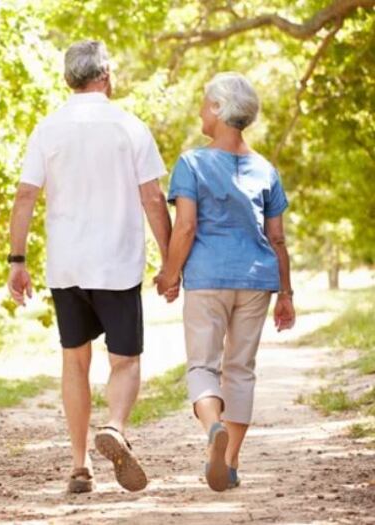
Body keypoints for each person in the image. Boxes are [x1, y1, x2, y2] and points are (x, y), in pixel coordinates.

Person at [7, 40, 172, 494]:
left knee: (74, 361)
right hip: (117, 263)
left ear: (68, 79)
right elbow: (153, 198)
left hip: (67, 264)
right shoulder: (129, 126)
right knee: (126, 360)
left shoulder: (48, 128)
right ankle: (115, 427)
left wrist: (16, 261)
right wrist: (171, 260)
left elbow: (25, 195)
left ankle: (80, 466)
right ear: (106, 75)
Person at [156, 72, 296, 492]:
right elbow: (277, 238)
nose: (200, 110)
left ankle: (213, 427)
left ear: (218, 109)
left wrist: (169, 274)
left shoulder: (192, 163)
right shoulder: (266, 169)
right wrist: (286, 294)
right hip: (256, 281)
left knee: (203, 364)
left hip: (208, 279)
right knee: (240, 370)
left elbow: (185, 228)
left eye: (204, 103)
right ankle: (230, 461)